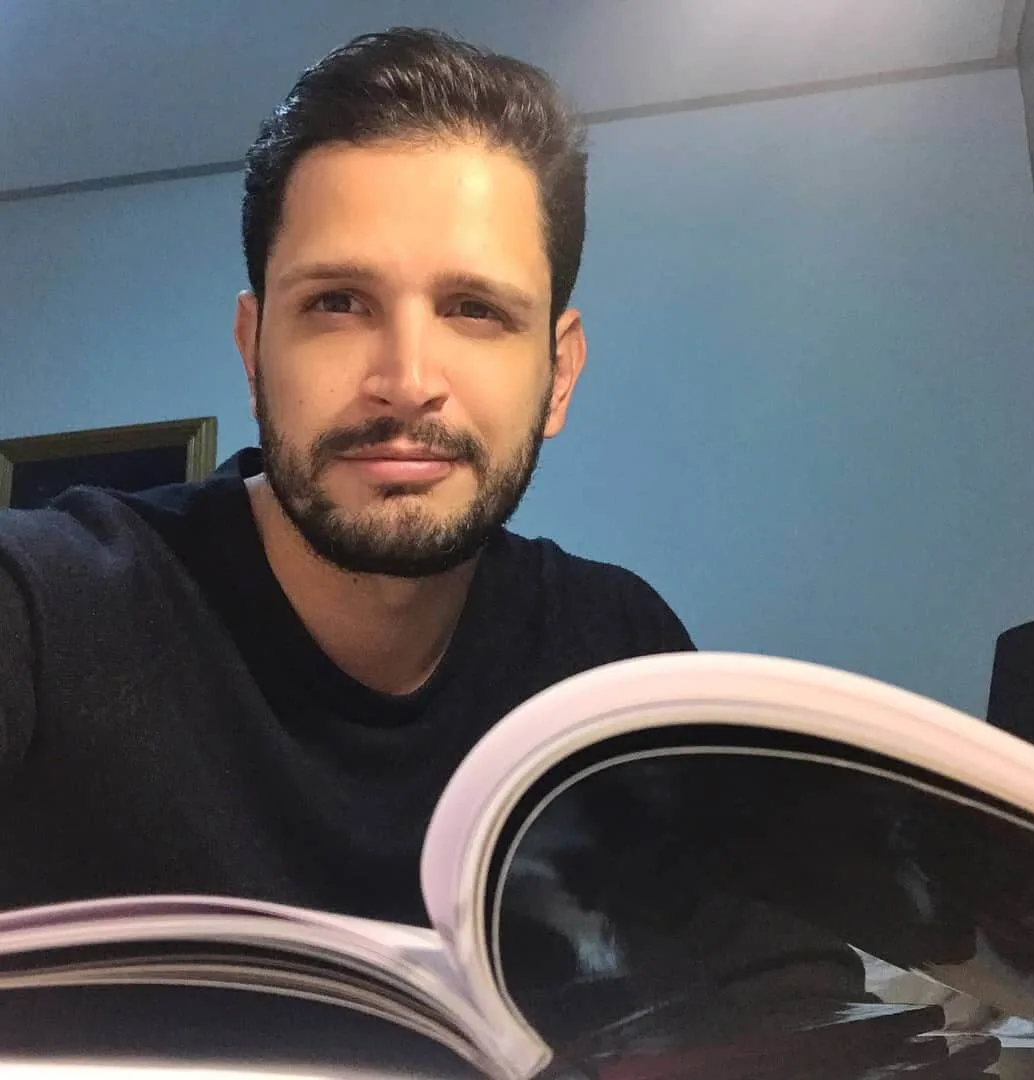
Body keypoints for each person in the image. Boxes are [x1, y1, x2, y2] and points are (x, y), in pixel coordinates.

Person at [0, 27, 694, 927]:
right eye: (337, 303)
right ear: (253, 351)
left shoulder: (620, 654)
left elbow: (767, 975)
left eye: (474, 308)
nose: (406, 380)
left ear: (558, 375)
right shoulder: (41, 610)